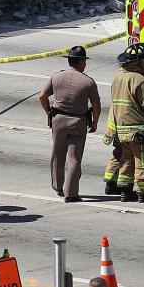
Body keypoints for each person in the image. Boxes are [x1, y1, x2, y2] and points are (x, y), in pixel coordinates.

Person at [38, 46, 101, 202]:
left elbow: (42, 96)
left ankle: (58, 186)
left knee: (58, 155)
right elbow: (96, 105)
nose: (85, 64)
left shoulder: (56, 77)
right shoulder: (88, 82)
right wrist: (94, 123)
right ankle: (71, 194)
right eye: (84, 61)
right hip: (78, 122)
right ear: (80, 61)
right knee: (74, 159)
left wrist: (49, 112)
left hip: (58, 120)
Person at [106, 43, 144, 202]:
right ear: (139, 62)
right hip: (139, 132)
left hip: (122, 131)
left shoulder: (118, 78)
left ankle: (125, 192)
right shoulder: (140, 80)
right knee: (142, 162)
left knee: (126, 160)